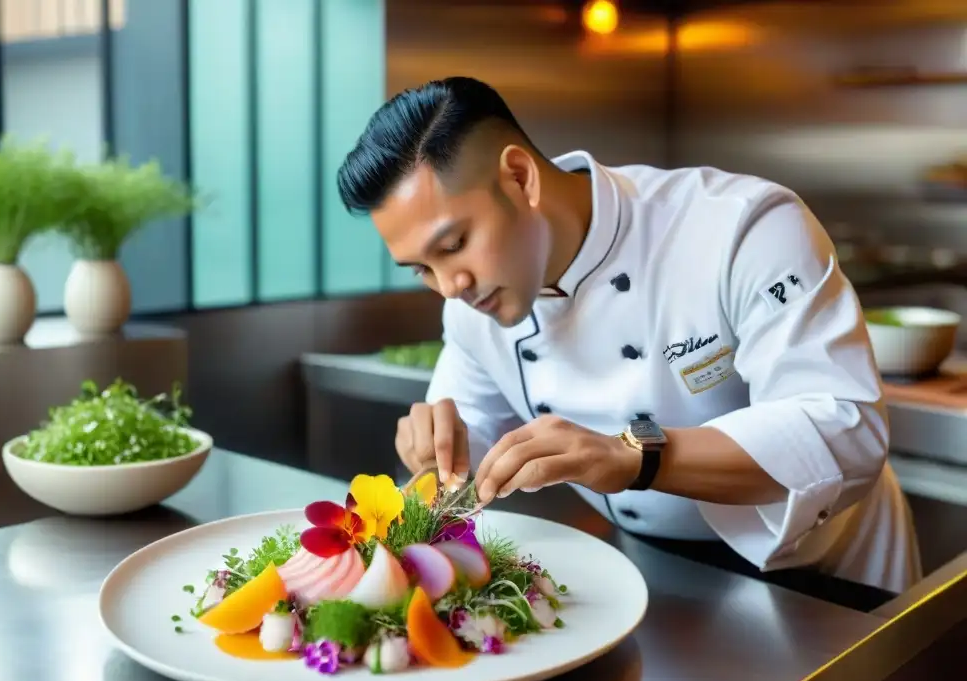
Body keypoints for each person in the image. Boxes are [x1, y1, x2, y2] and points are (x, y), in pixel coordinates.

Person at [335, 76, 921, 594]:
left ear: (519, 178)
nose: (448, 286)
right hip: (660, 578)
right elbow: (475, 445)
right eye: (421, 268)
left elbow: (846, 428)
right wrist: (439, 456)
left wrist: (633, 457)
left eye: (454, 245)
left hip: (832, 575)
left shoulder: (738, 225)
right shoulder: (472, 304)